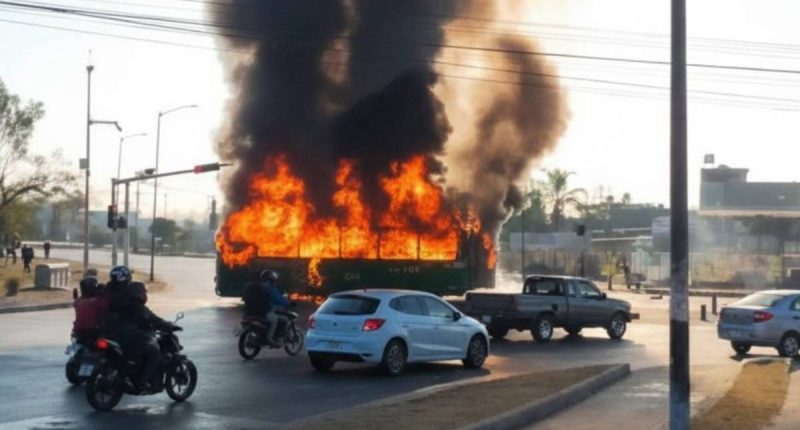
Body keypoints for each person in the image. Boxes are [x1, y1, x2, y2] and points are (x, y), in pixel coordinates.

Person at [104, 265, 174, 391]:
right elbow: (148, 317)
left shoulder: (107, 293)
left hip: (107, 332)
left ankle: (132, 373)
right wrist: (165, 324)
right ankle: (142, 382)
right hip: (128, 334)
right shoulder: (131, 298)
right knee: (154, 352)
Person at [242, 269, 289, 346]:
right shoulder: (269, 288)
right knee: (277, 320)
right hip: (263, 313)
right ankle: (269, 338)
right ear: (272, 280)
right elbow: (278, 299)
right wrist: (287, 303)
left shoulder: (253, 286)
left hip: (248, 312)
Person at [72, 275, 109, 343]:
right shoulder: (97, 301)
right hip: (95, 331)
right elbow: (107, 305)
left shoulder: (78, 302)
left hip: (79, 331)